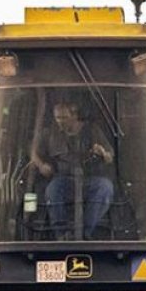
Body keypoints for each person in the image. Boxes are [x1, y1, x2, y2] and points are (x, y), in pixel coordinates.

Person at [30, 101, 115, 238]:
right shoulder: (50, 133)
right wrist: (41, 166)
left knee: (105, 187)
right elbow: (34, 153)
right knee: (52, 189)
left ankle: (85, 233)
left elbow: (110, 157)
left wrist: (103, 153)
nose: (60, 122)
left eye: (63, 118)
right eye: (57, 118)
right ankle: (62, 235)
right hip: (63, 180)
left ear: (74, 116)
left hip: (90, 179)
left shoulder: (92, 130)